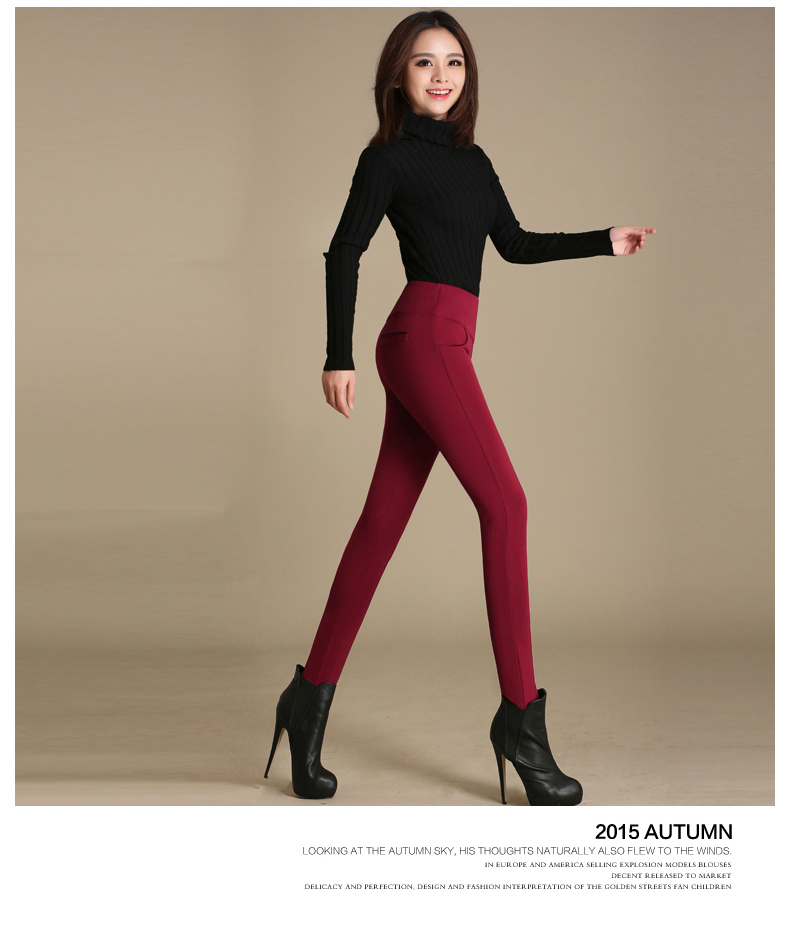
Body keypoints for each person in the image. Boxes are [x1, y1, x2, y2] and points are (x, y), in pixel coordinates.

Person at [264, 9, 655, 805]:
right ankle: (521, 720)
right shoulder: (386, 158)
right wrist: (337, 354)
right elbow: (345, 249)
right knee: (506, 503)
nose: (441, 76)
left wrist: (602, 240)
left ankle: (307, 698)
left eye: (454, 63)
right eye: (423, 62)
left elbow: (513, 243)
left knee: (379, 527)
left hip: (445, 341)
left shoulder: (474, 163)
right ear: (397, 77)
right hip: (422, 340)